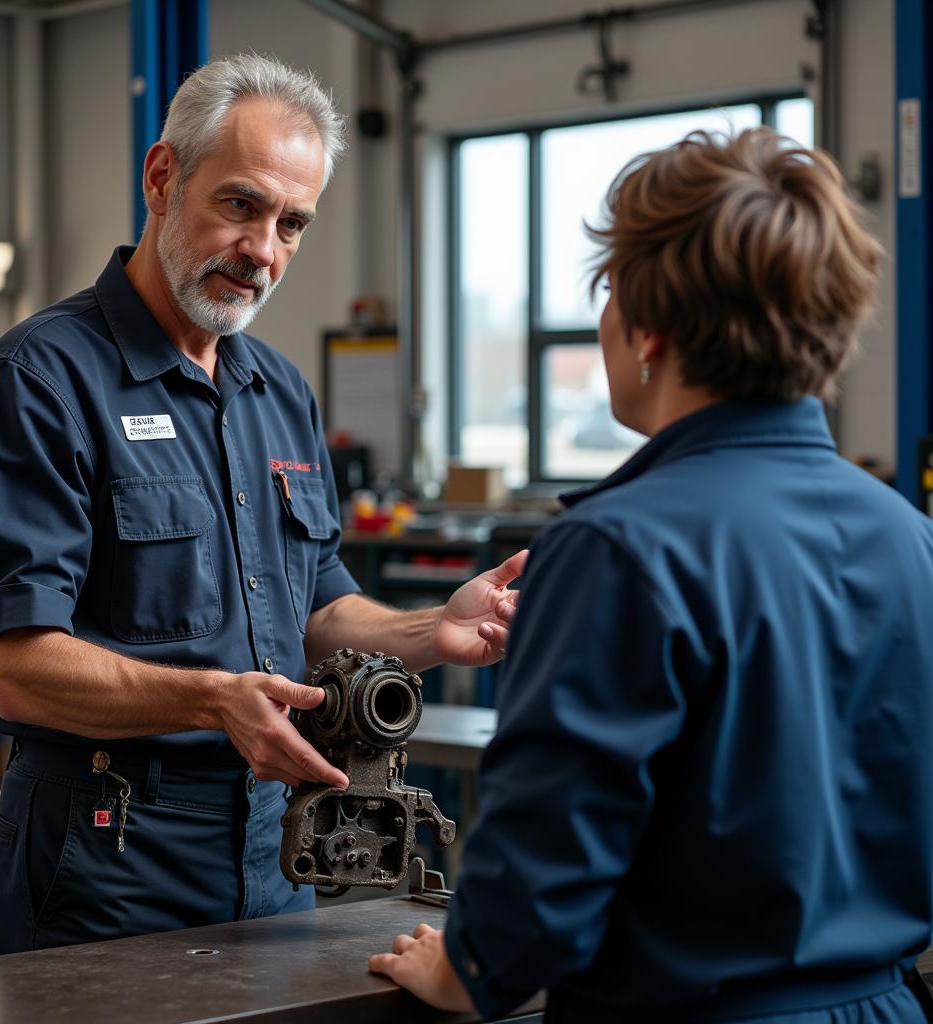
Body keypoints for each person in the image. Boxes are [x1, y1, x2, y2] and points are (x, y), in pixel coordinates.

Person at [0, 52, 525, 955]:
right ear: (163, 177)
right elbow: (15, 666)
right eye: (241, 206)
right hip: (106, 855)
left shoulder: (280, 392)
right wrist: (215, 700)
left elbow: (321, 605)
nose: (264, 251)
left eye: (293, 223)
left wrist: (427, 633)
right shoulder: (42, 379)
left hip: (276, 844)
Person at [368, 128, 933, 1023]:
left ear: (649, 330)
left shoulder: (615, 548)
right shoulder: (907, 537)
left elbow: (549, 851)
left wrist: (471, 969)